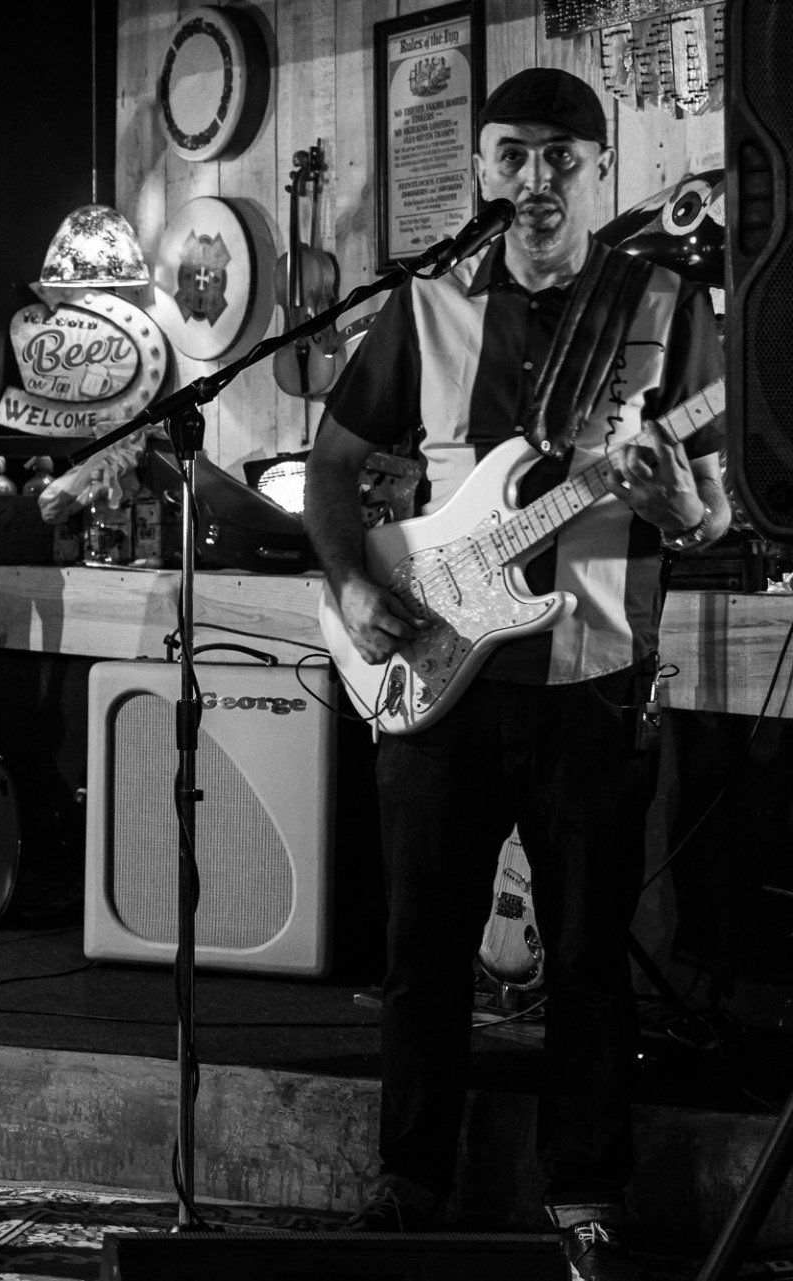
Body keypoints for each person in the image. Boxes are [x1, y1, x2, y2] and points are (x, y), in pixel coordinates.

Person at [303, 69, 727, 1281]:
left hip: (592, 674)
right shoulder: (429, 304)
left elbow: (701, 514)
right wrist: (347, 587)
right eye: (509, 155)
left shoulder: (662, 303)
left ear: (601, 171)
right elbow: (333, 465)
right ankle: (411, 1182)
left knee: (591, 952)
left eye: (559, 158)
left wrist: (677, 499)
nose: (532, 179)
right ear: (481, 169)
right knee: (420, 941)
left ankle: (586, 1193)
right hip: (437, 667)